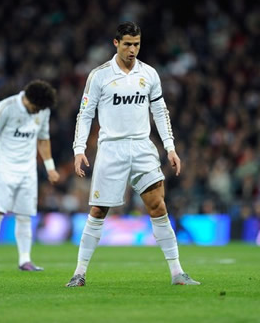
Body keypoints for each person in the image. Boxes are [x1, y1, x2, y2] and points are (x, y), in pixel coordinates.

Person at [66, 21, 200, 287]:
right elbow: (85, 114)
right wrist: (79, 149)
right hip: (111, 148)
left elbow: (160, 112)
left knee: (158, 206)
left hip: (142, 146)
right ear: (116, 43)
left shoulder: (149, 74)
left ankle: (177, 273)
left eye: (136, 44)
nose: (132, 49)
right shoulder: (100, 75)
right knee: (98, 210)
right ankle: (79, 273)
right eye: (127, 44)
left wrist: (170, 147)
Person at [0, 80, 59, 272]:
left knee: (25, 215)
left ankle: (25, 260)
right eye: (35, 107)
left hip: (28, 169)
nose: (37, 111)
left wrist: (50, 167)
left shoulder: (43, 110)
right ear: (27, 98)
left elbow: (44, 139)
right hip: (3, 166)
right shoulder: (5, 107)